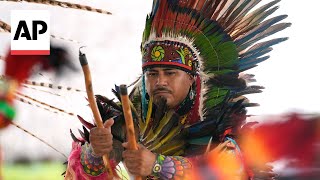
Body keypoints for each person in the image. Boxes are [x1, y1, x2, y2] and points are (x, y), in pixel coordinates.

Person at [65, 0, 291, 179]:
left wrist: (157, 165)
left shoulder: (221, 125)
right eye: (152, 74)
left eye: (170, 73)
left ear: (192, 79)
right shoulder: (127, 122)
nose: (160, 81)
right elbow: (77, 176)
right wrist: (95, 153)